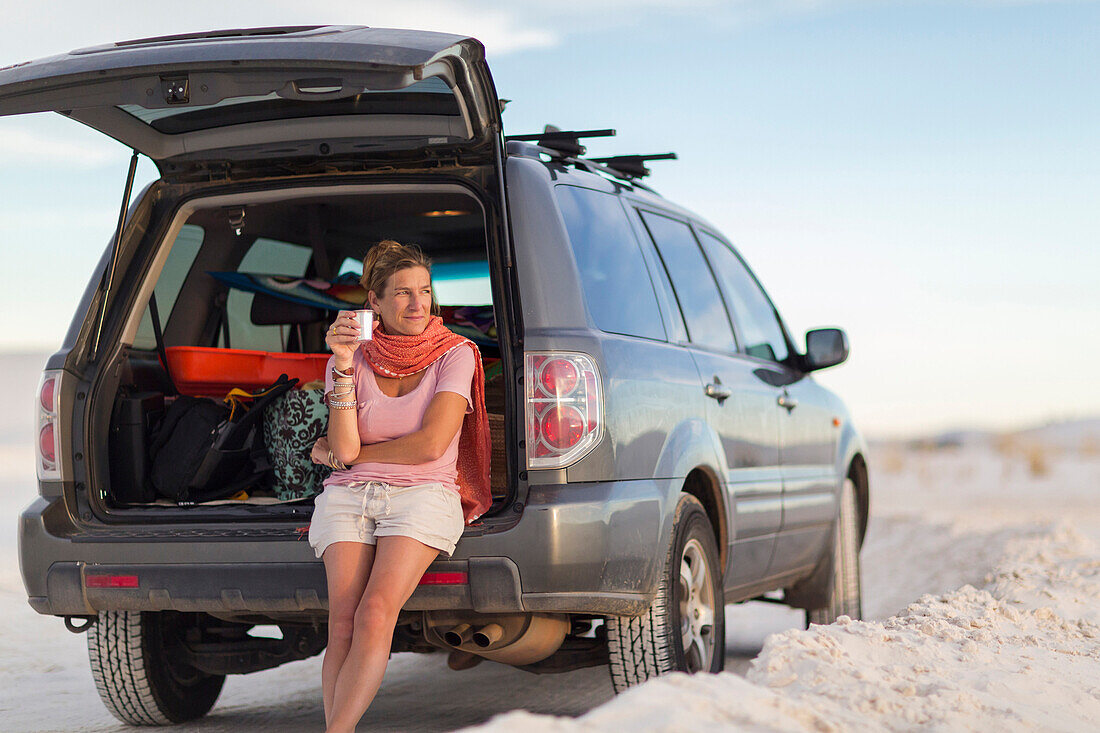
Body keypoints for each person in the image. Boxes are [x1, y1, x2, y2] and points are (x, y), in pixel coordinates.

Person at [307, 240, 491, 733]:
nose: (418, 304)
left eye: (425, 291)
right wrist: (343, 362)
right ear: (375, 302)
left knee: (375, 612)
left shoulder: (456, 354)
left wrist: (349, 456)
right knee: (341, 623)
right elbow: (343, 445)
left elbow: (431, 445)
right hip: (349, 494)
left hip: (423, 492)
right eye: (403, 294)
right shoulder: (350, 359)